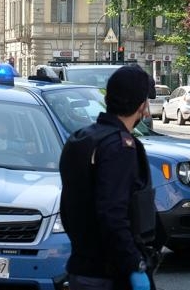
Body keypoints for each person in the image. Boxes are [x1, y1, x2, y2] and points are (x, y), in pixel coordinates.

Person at [59, 64, 158, 290]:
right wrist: (135, 265)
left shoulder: (82, 138)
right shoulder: (120, 146)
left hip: (81, 265)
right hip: (108, 274)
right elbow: (113, 214)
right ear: (142, 105)